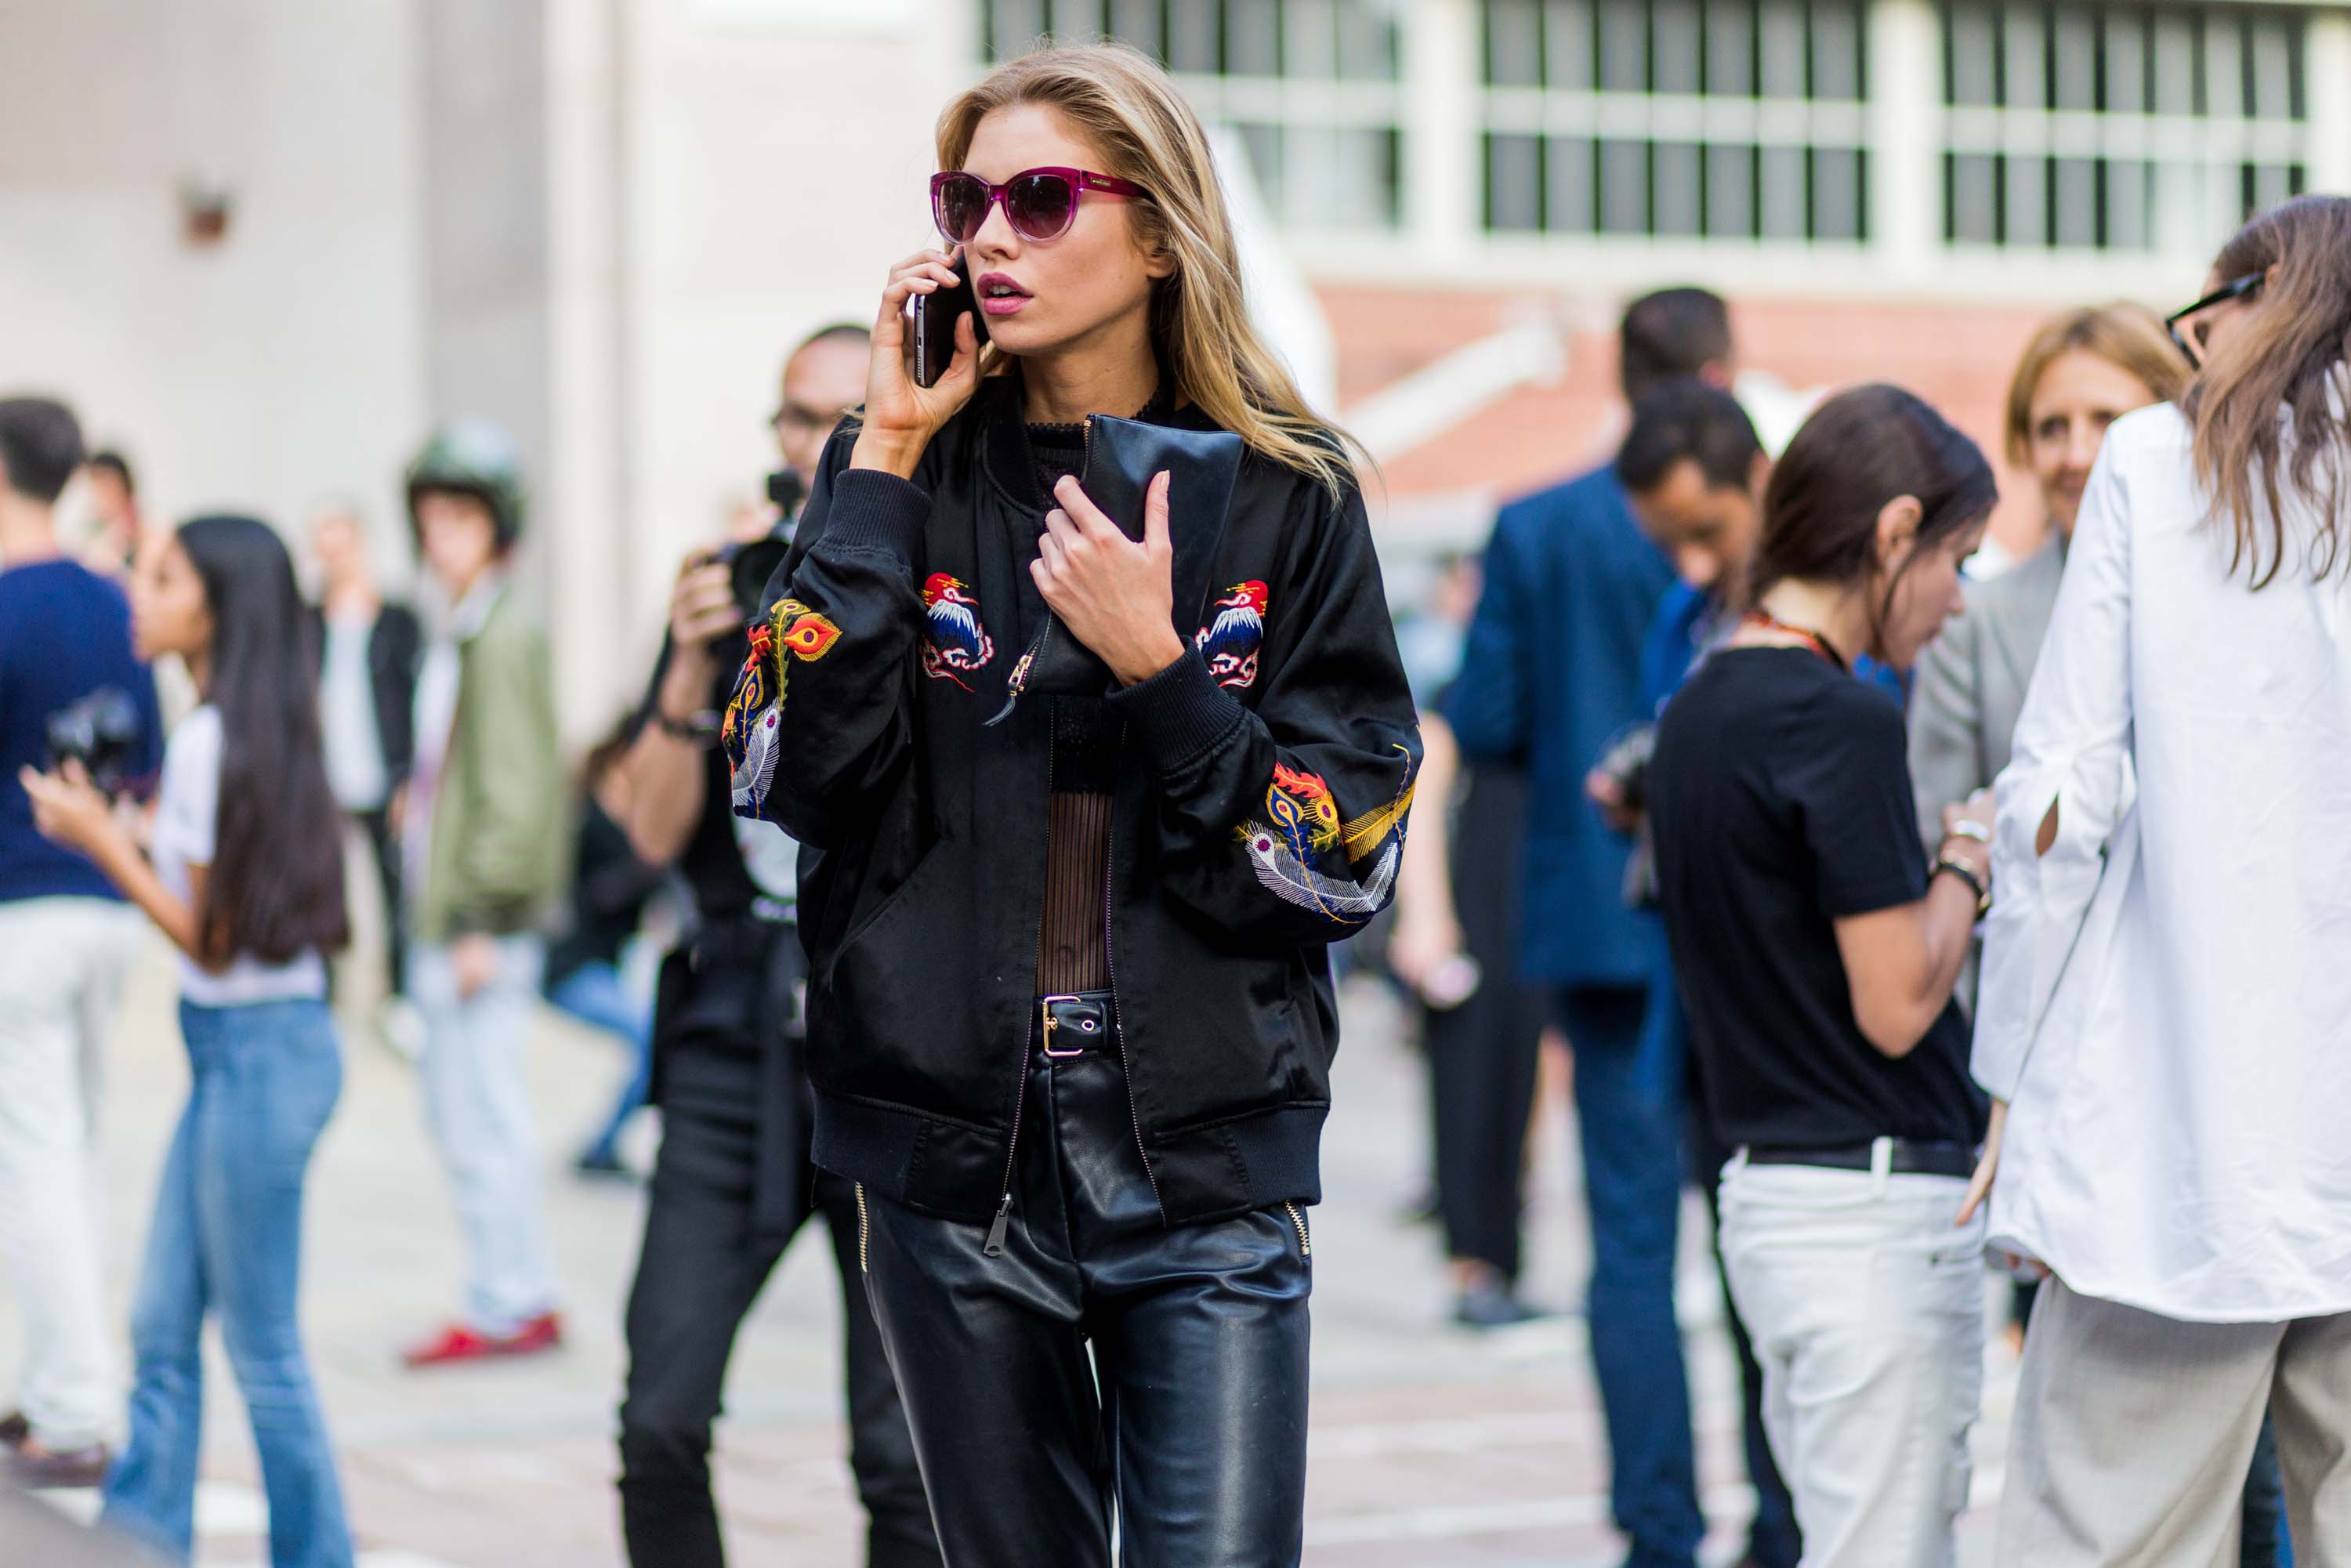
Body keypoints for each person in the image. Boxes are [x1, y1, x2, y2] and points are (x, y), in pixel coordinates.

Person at [724, 42, 1418, 1564]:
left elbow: (1339, 863)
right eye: (965, 200)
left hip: (1204, 1153)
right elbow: (783, 768)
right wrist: (888, 454)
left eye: (1039, 199)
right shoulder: (892, 469)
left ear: (1161, 230)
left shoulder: (1289, 494)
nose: (988, 237)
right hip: (952, 1153)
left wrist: (1163, 669)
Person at [1976, 194, 2351, 1565]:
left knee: (2103, 1534)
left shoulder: (2157, 457)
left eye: (2209, 312)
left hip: (2186, 1129)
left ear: (2266, 300)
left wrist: (2011, 1065)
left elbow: (2061, 804)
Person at [1647, 383, 1998, 1567]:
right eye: (1956, 557)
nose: (1957, 600)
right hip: (1870, 1212)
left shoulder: (1696, 705)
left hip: (1773, 1199)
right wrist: (1967, 861)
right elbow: (1898, 1003)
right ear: (1894, 533)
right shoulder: (1836, 717)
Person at [613, 320, 937, 1568]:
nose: (814, 444)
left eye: (838, 415)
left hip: (882, 1041)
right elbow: (649, 834)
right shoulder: (730, 578)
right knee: (658, 1418)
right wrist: (689, 671)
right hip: (730, 1035)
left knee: (901, 1453)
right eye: (794, 422)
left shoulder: (928, 574)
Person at [1447, 289, 1732, 1568]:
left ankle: (1660, 1533)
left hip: (1597, 914)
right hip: (1733, 925)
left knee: (1628, 1245)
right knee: (1761, 1232)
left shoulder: (1537, 524)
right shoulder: (1754, 520)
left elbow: (1493, 717)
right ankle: (1782, 1524)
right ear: (1724, 370)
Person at [22, 512, 356, 1568]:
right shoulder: (242, 723)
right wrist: (122, 830)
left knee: (262, 1351)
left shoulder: (217, 737)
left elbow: (208, 944)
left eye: (162, 579)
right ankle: (142, 1543)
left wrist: (97, 843)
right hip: (242, 1053)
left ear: (215, 606)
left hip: (259, 1051)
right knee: (163, 1328)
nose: (139, 595)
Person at [1602, 377, 1802, 1568]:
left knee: (1788, 1307)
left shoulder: (1827, 615)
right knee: (1731, 1284)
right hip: (1700, 1001)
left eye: (1705, 530)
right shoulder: (1682, 620)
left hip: (1798, 1013)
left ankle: (1791, 1532)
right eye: (1666, 540)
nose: (1686, 560)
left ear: (1760, 488)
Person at [0, 397, 164, 1490]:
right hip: (112, 902)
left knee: (36, 1158)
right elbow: (146, 751)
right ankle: (57, 1383)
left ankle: (72, 1407)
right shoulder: (112, 599)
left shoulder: (6, 603)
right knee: (72, 1152)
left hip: (19, 910)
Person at [396, 419, 571, 1368]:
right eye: (431, 516)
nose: (439, 535)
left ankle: (511, 1301)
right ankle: (513, 1291)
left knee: (482, 1119)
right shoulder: (469, 624)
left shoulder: (501, 630)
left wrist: (476, 917)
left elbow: (517, 788)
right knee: (468, 1115)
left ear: (498, 526)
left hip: (476, 927)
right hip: (460, 916)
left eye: (460, 517)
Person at [1387, 555, 1550, 1328]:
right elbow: (1422, 799)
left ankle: (1501, 1265)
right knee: (1469, 1093)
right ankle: (1469, 1271)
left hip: (1518, 916)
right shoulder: (1460, 693)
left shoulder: (1528, 692)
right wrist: (1428, 918)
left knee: (1516, 1093)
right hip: (1468, 916)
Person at [306, 501, 422, 1010]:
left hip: (383, 774)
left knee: (393, 891)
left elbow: (418, 701)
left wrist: (411, 781)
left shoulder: (396, 620)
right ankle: (329, 991)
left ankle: (398, 995)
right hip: (326, 781)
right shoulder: (308, 621)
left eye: (341, 547)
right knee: (325, 891)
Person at [549, 720, 664, 1179]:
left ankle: (605, 1144)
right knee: (649, 1036)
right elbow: (600, 892)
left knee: (653, 1038)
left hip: (607, 966)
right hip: (572, 969)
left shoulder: (633, 821)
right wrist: (647, 868)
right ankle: (601, 1148)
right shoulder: (588, 819)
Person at [82, 450, 143, 579]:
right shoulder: (88, 532)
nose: (97, 494)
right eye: (94, 484)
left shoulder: (145, 531)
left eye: (106, 484)